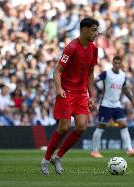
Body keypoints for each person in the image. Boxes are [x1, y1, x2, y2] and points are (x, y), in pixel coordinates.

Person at [40, 17, 99, 175]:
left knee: (81, 126)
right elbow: (57, 71)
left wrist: (91, 95)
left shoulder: (93, 49)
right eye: (94, 30)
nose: (96, 33)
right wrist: (59, 88)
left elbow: (91, 73)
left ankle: (57, 157)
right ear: (84, 30)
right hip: (66, 91)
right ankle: (45, 160)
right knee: (64, 127)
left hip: (80, 93)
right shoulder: (71, 47)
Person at [90, 55, 134, 158]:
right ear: (112, 63)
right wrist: (91, 93)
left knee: (123, 124)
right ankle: (95, 151)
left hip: (116, 104)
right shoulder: (106, 73)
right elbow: (93, 81)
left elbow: (125, 89)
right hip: (106, 104)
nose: (117, 65)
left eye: (118, 63)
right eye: (115, 63)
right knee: (101, 126)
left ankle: (129, 149)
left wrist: (133, 101)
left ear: (121, 64)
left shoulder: (122, 75)